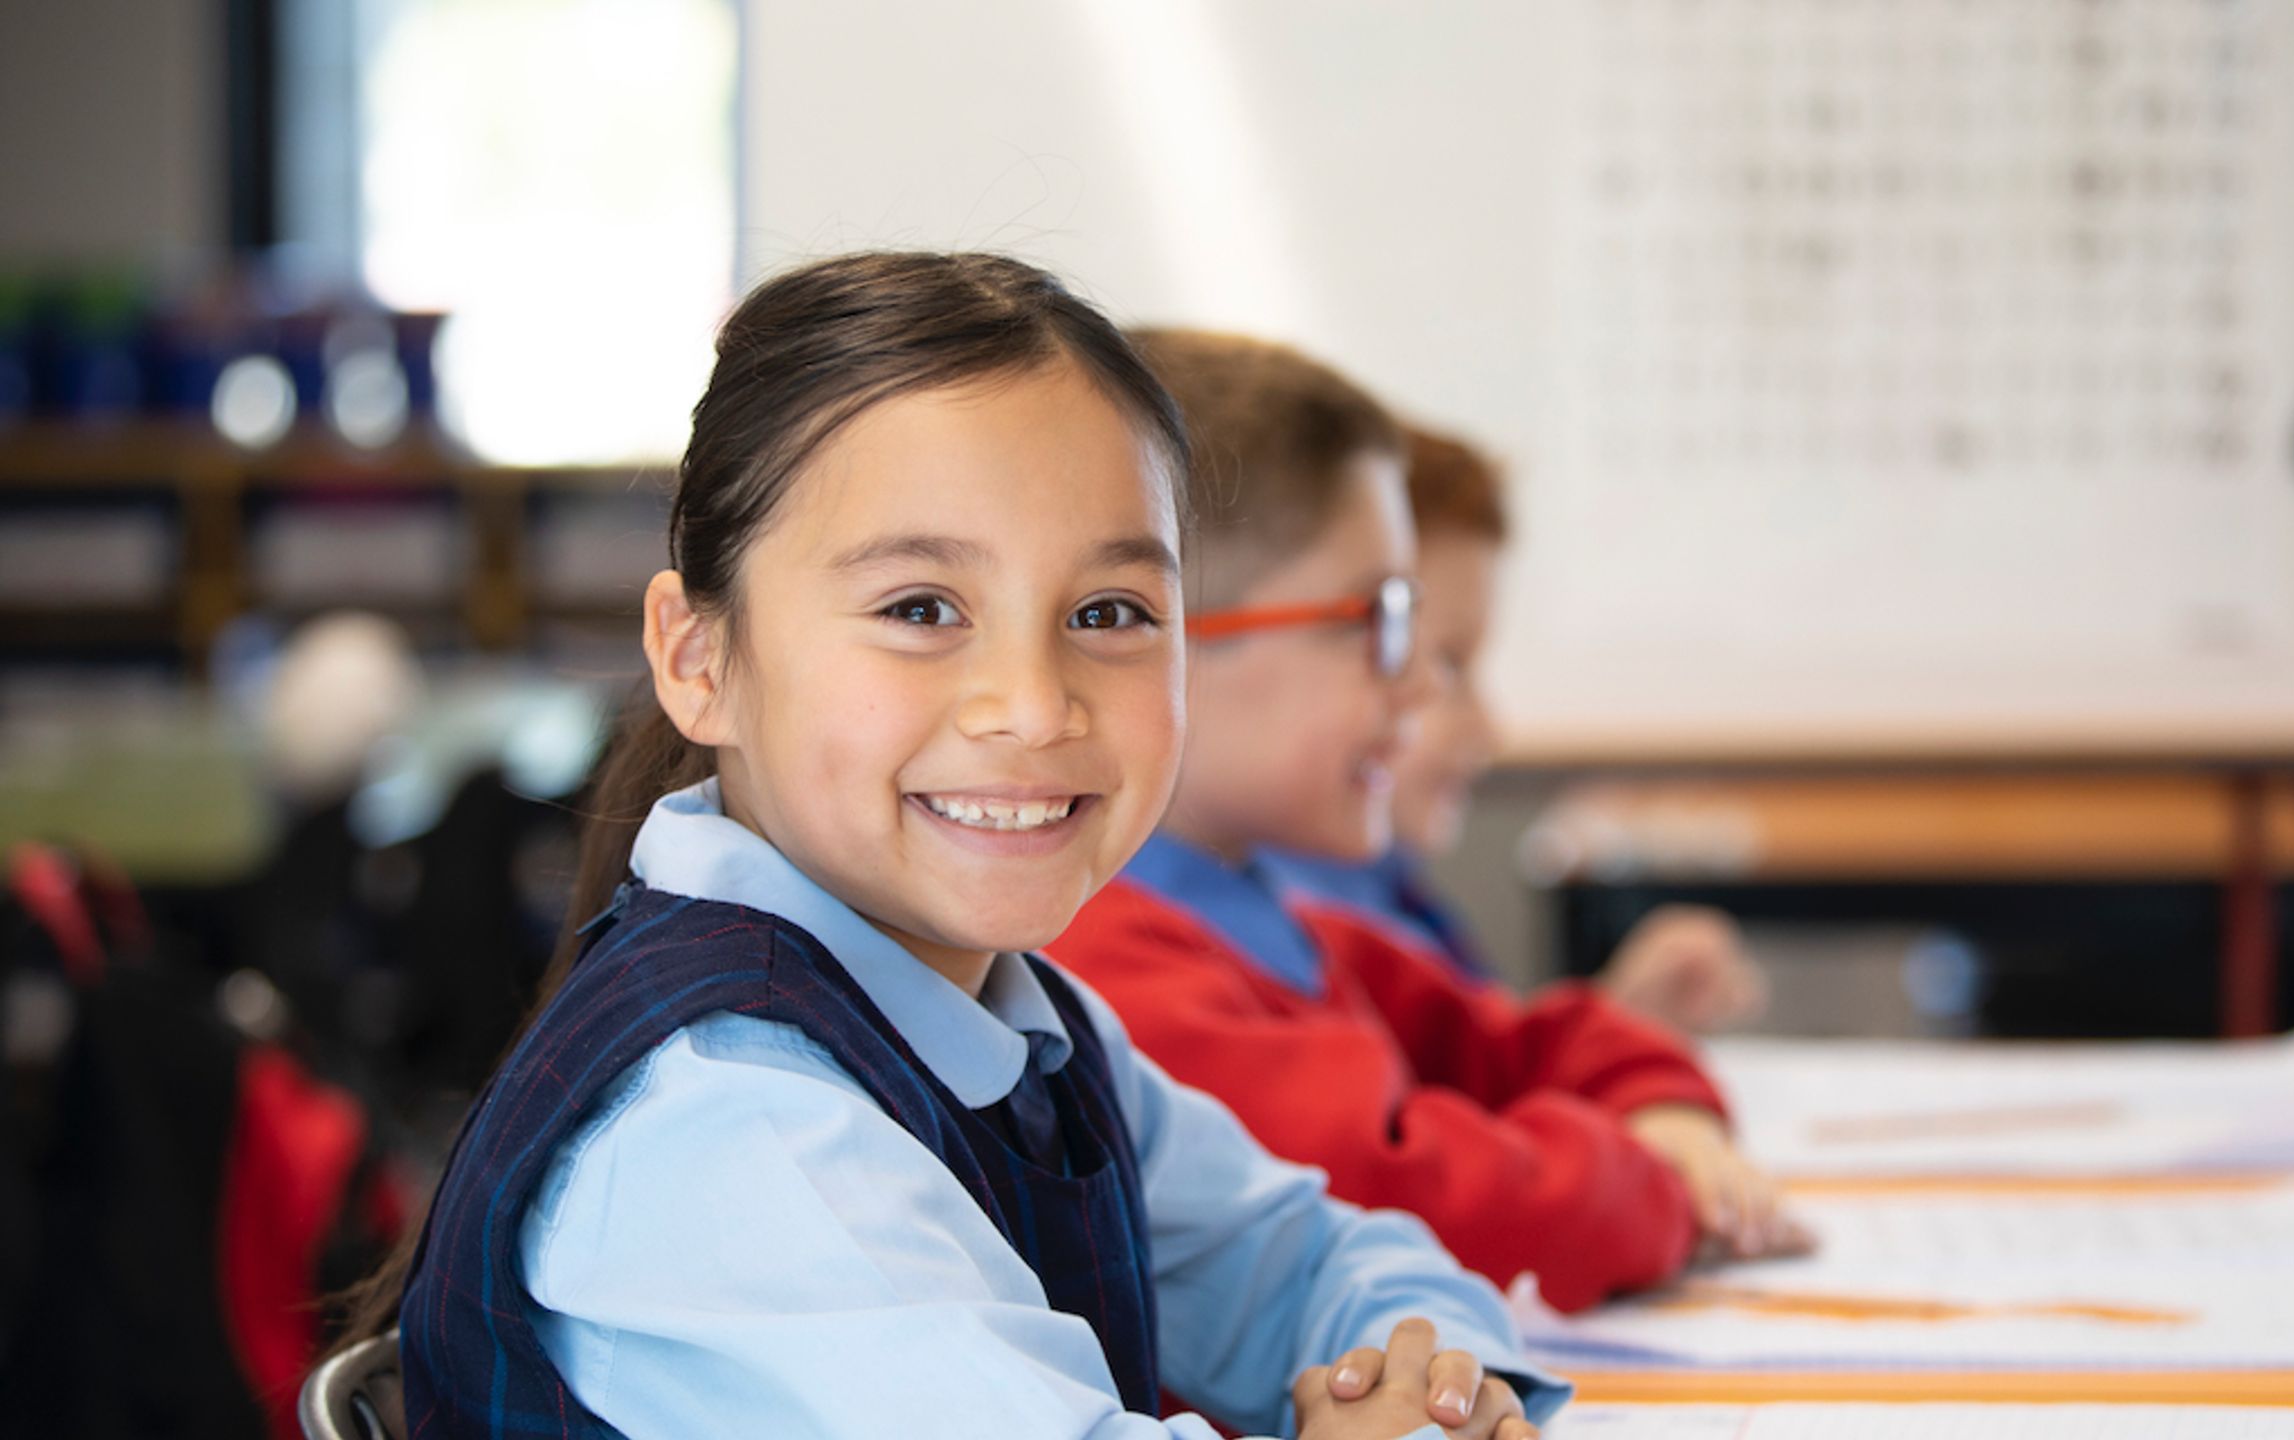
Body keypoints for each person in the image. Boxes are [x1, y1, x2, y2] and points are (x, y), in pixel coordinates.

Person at [328, 254, 1556, 1440]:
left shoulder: (1027, 1028)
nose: (1032, 704)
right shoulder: (727, 1127)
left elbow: (1324, 1263)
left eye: (1109, 613)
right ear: (700, 661)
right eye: (920, 610)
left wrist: (1429, 1390)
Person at [1051, 331, 1809, 1318]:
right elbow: (1428, 1208)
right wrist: (1665, 1184)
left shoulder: (1294, 935)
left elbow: (1537, 1043)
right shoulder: (1112, 980)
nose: (1419, 686)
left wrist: (1665, 1109)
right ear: (1161, 634)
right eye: (1378, 622)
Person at [1267, 426, 1767, 1035]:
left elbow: (1478, 1082)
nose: (1489, 728)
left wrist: (1620, 1026)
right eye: (1447, 661)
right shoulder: (1298, 929)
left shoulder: (1384, 889)